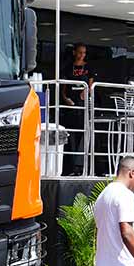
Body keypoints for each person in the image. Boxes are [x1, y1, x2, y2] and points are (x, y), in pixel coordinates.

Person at [60, 44, 95, 175]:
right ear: (74, 52)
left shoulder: (89, 67)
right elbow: (63, 88)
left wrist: (86, 94)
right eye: (80, 52)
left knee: (82, 135)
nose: (82, 55)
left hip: (83, 105)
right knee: (70, 137)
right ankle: (69, 167)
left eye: (84, 53)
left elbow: (91, 85)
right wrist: (65, 99)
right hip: (70, 105)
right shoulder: (68, 68)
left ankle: (80, 166)